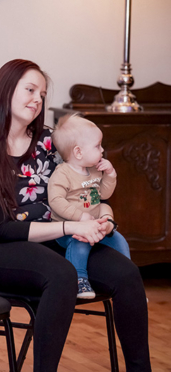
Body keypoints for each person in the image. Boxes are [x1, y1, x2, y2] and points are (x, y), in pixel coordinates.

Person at [0, 59, 151, 371]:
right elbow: (1, 228)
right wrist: (70, 226)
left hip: (56, 239)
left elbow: (85, 187)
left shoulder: (49, 143)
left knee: (126, 273)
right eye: (30, 90)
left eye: (42, 94)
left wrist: (97, 218)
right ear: (5, 90)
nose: (37, 99)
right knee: (62, 274)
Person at [49, 114, 131, 298]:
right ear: (78, 152)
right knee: (80, 243)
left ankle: (128, 278)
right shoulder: (62, 174)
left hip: (94, 225)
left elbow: (104, 195)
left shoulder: (94, 170)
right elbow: (56, 201)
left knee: (119, 240)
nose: (102, 150)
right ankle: (80, 280)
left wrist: (110, 174)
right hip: (69, 230)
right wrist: (80, 218)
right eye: (97, 146)